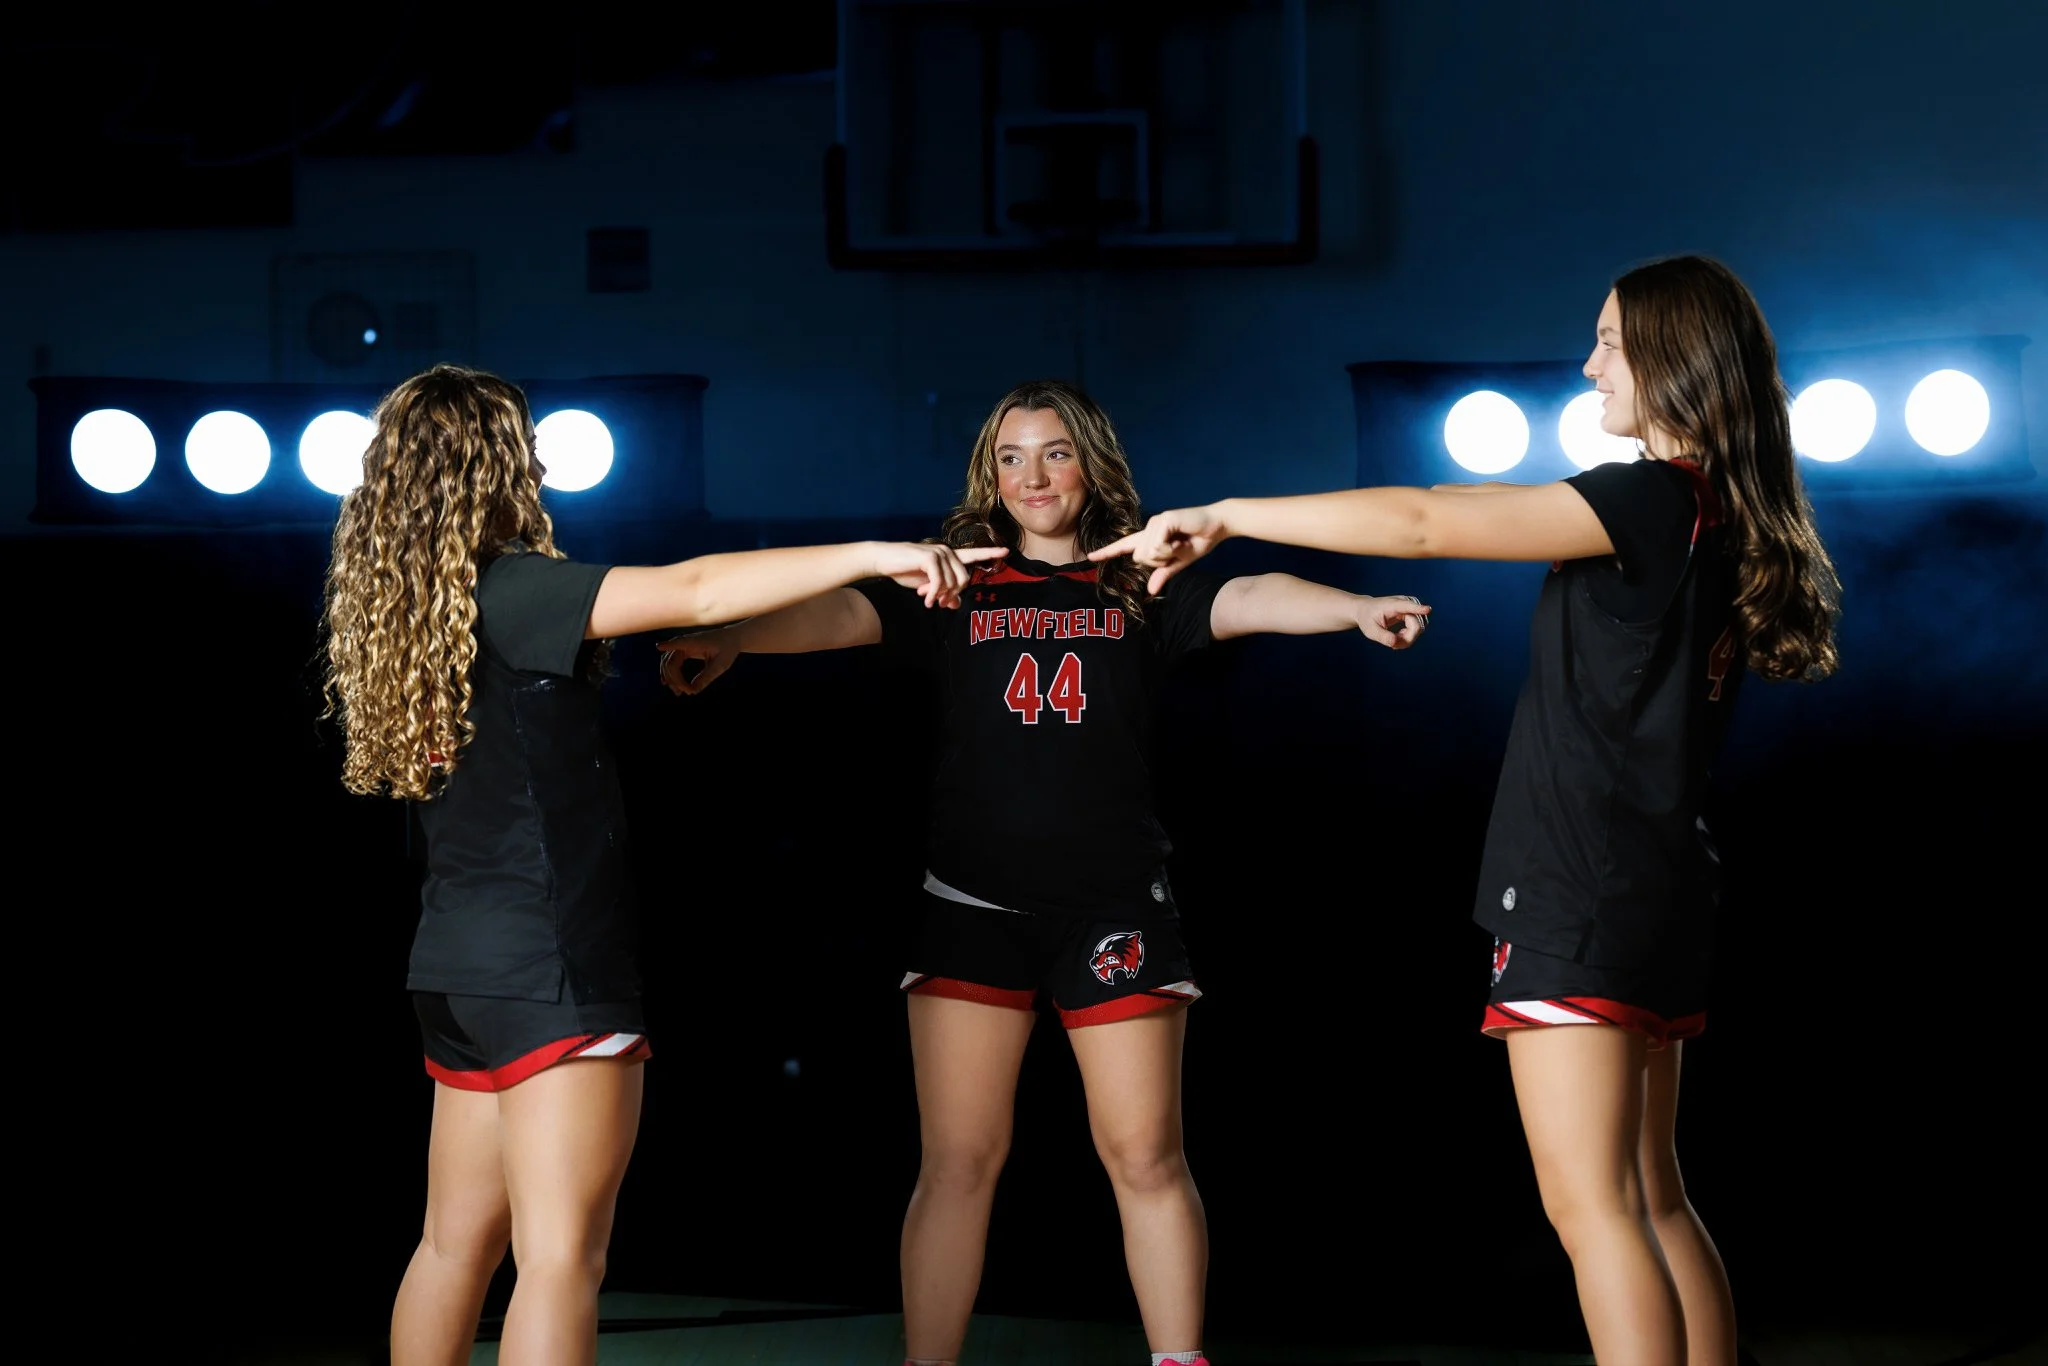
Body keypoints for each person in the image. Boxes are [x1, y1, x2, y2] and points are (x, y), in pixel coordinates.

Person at [1089, 256, 1842, 1366]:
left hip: (1579, 887)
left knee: (1595, 1210)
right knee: (1649, 1196)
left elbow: (1422, 520)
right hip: (1657, 886)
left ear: (1674, 358)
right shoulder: (1712, 509)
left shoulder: (1651, 498)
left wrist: (1229, 514)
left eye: (1607, 340)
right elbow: (1457, 516)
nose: (1587, 363)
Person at [657, 379, 1430, 1366]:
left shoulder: (1137, 577)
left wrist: (1355, 606)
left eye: (1054, 452)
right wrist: (731, 636)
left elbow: (1245, 597)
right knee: (956, 1164)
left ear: (1089, 463)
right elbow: (838, 616)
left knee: (1144, 1156)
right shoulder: (955, 585)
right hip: (969, 907)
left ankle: (1178, 1359)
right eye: (1012, 456)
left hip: (1111, 906)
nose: (1033, 474)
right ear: (990, 473)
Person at [319, 363, 1004, 1366]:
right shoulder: (513, 591)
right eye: (523, 443)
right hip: (549, 969)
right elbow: (694, 586)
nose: (540, 462)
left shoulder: (420, 614)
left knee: (449, 1245)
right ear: (493, 463)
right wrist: (875, 550)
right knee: (561, 1259)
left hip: (456, 972)